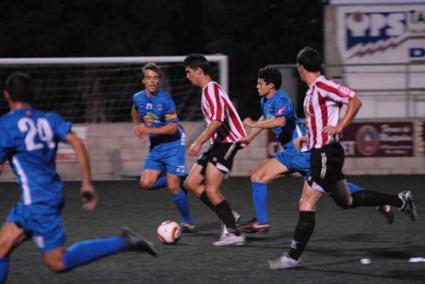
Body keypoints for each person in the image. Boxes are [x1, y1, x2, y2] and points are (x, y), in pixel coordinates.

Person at [268, 47, 417, 269]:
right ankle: (400, 200)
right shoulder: (312, 91)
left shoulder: (323, 84)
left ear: (301, 68)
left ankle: (292, 256)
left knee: (306, 200)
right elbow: (322, 121)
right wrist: (307, 139)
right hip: (322, 151)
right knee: (346, 201)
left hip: (327, 153)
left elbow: (354, 101)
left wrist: (341, 125)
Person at [0, 72, 157, 283]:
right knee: (1, 250)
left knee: (58, 262)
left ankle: (124, 242)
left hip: (37, 203)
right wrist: (87, 183)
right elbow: (77, 143)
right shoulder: (49, 119)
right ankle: (124, 241)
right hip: (43, 196)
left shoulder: (6, 125)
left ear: (6, 95)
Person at [239, 66, 393, 234]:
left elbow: (280, 121)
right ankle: (261, 222)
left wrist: (254, 123)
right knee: (258, 177)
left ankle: (379, 202)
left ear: (271, 86)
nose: (257, 86)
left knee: (334, 188)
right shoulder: (265, 101)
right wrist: (250, 137)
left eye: (260, 83)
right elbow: (266, 118)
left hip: (302, 152)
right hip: (290, 153)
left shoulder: (282, 99)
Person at [183, 54, 246, 246]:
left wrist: (199, 142)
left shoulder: (211, 89)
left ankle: (234, 233)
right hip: (218, 143)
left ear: (199, 71)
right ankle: (228, 215)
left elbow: (218, 120)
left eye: (188, 72)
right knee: (192, 183)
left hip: (228, 142)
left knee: (211, 188)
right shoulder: (208, 90)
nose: (187, 76)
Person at [131, 63, 194, 232]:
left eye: (156, 78)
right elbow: (135, 109)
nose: (152, 81)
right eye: (149, 78)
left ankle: (187, 222)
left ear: (159, 80)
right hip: (157, 145)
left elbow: (173, 128)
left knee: (173, 187)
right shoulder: (137, 97)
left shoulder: (166, 100)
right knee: (146, 183)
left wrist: (147, 129)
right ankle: (179, 177)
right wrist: (136, 125)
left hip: (174, 143)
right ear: (143, 80)